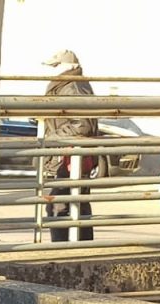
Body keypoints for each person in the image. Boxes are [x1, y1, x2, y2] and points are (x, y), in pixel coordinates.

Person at [42, 49, 97, 241]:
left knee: (58, 203)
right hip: (70, 156)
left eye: (56, 66)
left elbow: (83, 125)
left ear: (67, 66)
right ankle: (79, 245)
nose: (52, 71)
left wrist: (53, 139)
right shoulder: (71, 85)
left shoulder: (71, 87)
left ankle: (63, 248)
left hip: (70, 156)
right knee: (76, 202)